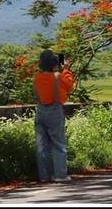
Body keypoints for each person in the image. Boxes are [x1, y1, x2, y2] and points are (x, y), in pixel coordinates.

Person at [34, 49, 74, 183]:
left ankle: (44, 176)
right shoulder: (58, 76)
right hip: (54, 110)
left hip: (40, 110)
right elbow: (69, 86)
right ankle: (60, 175)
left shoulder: (37, 77)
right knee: (58, 144)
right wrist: (66, 69)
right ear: (53, 65)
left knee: (42, 145)